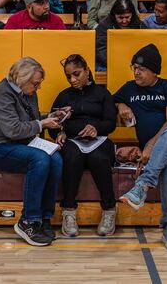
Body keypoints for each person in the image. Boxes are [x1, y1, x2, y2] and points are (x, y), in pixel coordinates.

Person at [116, 44, 167, 250]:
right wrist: (121, 105)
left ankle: (143, 184)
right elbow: (112, 100)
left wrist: (151, 144)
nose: (136, 72)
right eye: (134, 67)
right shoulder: (129, 88)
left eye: (141, 68)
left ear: (154, 71)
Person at [0, 57, 66, 246]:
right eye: (36, 83)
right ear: (21, 79)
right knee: (40, 159)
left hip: (19, 144)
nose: (38, 88)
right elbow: (13, 130)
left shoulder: (28, 92)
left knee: (56, 159)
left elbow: (30, 121)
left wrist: (51, 117)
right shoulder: (1, 93)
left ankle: (43, 218)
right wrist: (42, 123)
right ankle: (28, 220)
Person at [50, 54, 117, 237]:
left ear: (87, 71)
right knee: (71, 157)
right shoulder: (63, 96)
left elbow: (110, 123)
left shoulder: (103, 94)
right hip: (73, 141)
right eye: (68, 76)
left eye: (76, 74)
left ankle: (109, 209)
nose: (72, 80)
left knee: (99, 158)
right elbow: (52, 123)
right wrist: (59, 132)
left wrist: (96, 127)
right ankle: (68, 211)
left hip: (100, 140)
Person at [95, 0, 144, 71]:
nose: (124, 21)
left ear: (132, 15)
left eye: (127, 17)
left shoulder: (139, 24)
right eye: (120, 17)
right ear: (114, 15)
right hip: (109, 62)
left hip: (134, 63)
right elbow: (101, 49)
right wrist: (116, 63)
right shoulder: (104, 25)